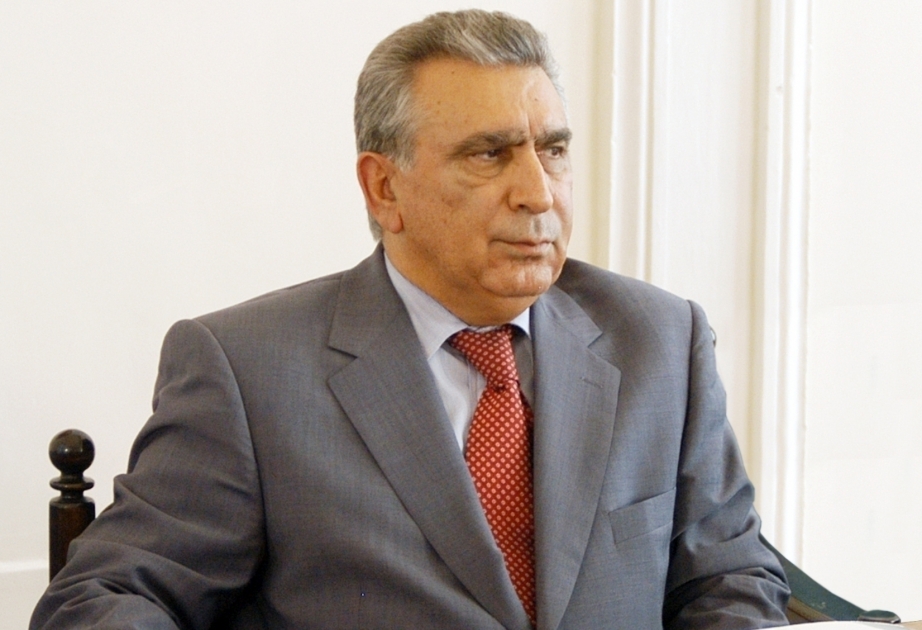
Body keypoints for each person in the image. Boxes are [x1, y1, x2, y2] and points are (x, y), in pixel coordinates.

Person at [31, 9, 789, 630]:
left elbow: (729, 582)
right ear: (384, 188)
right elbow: (101, 601)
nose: (538, 192)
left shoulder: (660, 340)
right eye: (490, 155)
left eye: (553, 150)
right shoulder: (248, 373)